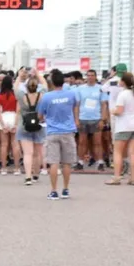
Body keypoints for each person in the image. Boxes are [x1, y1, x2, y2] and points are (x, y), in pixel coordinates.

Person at [37, 69, 79, 200]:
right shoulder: (71, 94)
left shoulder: (47, 97)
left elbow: (40, 115)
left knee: (53, 162)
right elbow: (76, 106)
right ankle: (65, 190)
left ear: (52, 82)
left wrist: (44, 118)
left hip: (52, 132)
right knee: (67, 163)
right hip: (68, 131)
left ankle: (54, 191)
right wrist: (76, 120)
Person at [106, 73, 134, 186]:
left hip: (123, 126)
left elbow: (120, 111)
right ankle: (133, 178)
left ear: (124, 82)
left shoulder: (122, 95)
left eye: (121, 80)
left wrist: (112, 111)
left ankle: (117, 177)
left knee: (118, 152)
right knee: (133, 153)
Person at [16, 76, 46, 186]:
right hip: (39, 125)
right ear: (37, 86)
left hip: (25, 125)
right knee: (37, 153)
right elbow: (45, 84)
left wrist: (20, 76)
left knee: (27, 153)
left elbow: (15, 87)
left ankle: (28, 177)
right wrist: (38, 74)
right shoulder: (42, 95)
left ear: (26, 87)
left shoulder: (21, 96)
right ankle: (36, 174)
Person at [75, 69, 106, 171]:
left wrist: (102, 119)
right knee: (82, 142)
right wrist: (76, 119)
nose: (90, 77)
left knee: (97, 142)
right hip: (83, 118)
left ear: (95, 77)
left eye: (92, 75)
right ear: (86, 77)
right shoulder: (80, 89)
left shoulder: (101, 89)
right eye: (88, 75)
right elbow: (77, 105)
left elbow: (103, 105)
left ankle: (100, 161)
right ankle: (80, 162)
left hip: (96, 118)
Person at [0, 75, 21, 176]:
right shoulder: (16, 95)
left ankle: (4, 168)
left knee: (4, 145)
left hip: (4, 117)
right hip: (14, 117)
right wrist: (15, 124)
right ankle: (17, 168)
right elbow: (18, 110)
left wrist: (2, 124)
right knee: (15, 144)